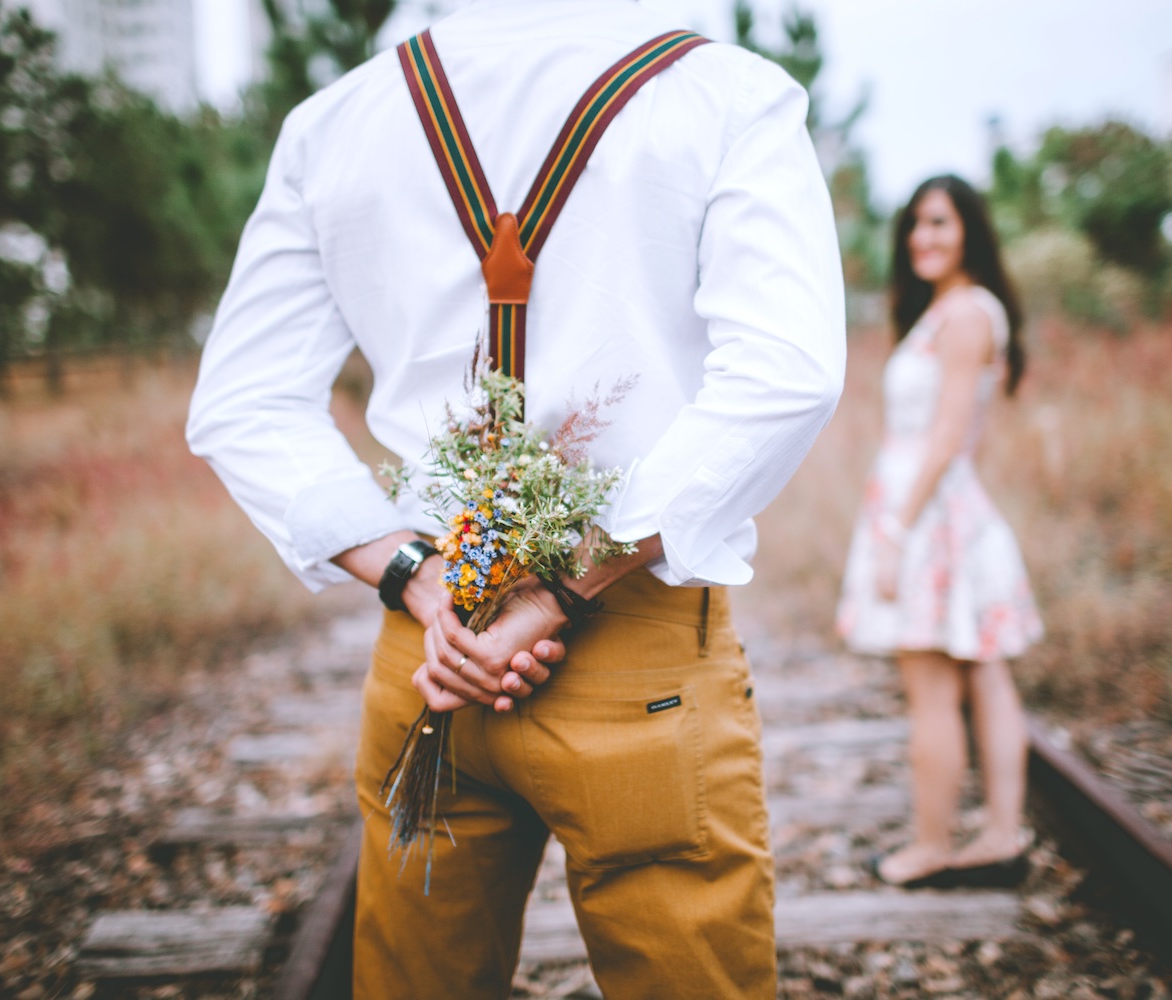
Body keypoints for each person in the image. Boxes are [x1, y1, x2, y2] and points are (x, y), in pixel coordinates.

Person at [186, 1, 845, 996]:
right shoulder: (724, 93)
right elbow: (785, 373)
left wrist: (419, 576)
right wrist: (557, 590)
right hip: (634, 647)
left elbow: (242, 400)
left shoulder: (337, 122)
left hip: (432, 656)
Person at [835, 175, 1044, 889]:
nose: (922, 238)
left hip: (926, 516)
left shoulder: (964, 316)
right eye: (914, 226)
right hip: (941, 507)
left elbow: (950, 432)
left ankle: (931, 847)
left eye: (938, 223)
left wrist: (896, 528)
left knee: (932, 688)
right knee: (984, 674)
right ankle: (998, 835)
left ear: (969, 231)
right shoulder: (956, 311)